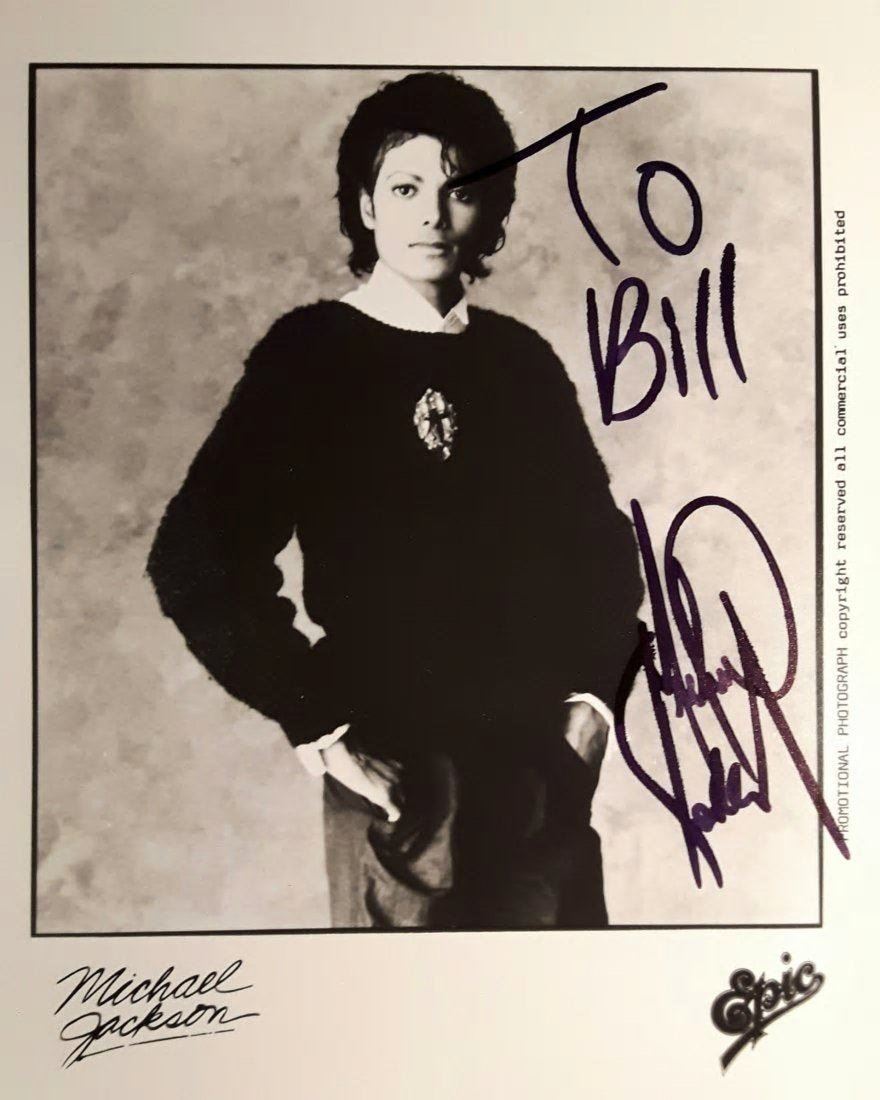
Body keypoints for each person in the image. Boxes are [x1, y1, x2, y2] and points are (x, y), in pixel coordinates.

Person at [146, 71, 644, 930]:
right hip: (403, 785)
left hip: (537, 778)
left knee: (560, 1002)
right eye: (406, 188)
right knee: (406, 1007)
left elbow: (602, 556)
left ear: (493, 209)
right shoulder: (310, 355)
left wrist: (592, 709)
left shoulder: (521, 363)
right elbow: (195, 558)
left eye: (460, 190)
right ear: (366, 205)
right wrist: (321, 731)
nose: (432, 215)